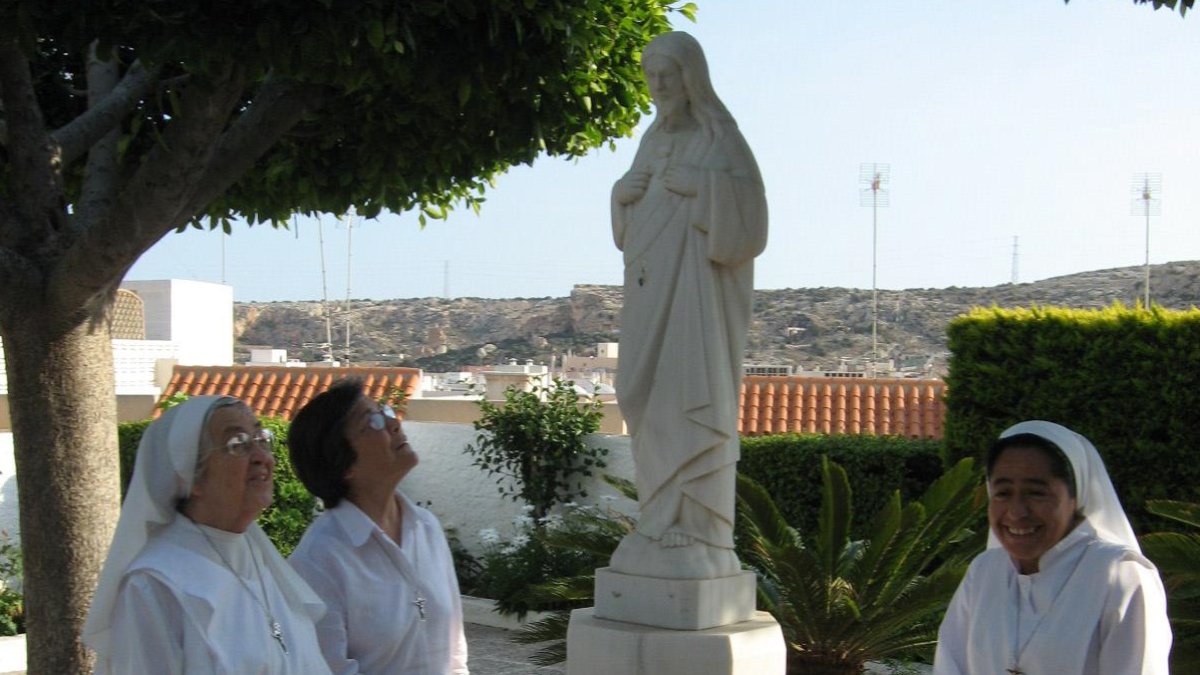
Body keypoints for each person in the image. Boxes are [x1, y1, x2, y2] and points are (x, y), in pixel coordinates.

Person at [607, 30, 767, 580]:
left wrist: (701, 185)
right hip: (649, 293)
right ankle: (656, 512)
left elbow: (751, 225)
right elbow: (633, 226)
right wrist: (620, 196)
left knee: (687, 395)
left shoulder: (721, 139)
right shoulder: (650, 140)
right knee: (636, 392)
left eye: (667, 75)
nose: (658, 86)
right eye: (651, 76)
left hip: (696, 303)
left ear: (690, 78)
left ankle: (698, 528)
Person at [83, 396, 331, 673]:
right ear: (192, 477)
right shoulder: (154, 584)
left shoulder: (258, 558)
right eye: (238, 444)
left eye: (261, 439)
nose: (262, 458)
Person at [933, 420, 1172, 674]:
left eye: (1036, 493)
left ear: (1075, 497)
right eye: (1003, 493)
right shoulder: (984, 572)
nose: (1017, 512)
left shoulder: (1120, 576)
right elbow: (950, 665)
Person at [287, 379, 468, 674]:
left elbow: (455, 653)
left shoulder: (426, 528)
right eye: (372, 422)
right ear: (344, 464)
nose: (394, 424)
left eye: (385, 412)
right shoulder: (318, 560)